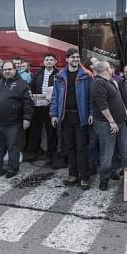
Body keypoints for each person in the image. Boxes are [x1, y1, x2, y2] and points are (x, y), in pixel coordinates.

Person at [51, 48, 94, 190]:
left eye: (77, 57)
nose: (75, 59)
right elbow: (55, 97)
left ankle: (84, 177)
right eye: (73, 57)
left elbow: (91, 97)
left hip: (81, 116)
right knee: (69, 146)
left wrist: (91, 113)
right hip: (66, 116)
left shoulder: (87, 75)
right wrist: (54, 114)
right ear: (67, 59)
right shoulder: (60, 76)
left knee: (81, 147)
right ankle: (73, 174)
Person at [0, 62, 34, 178]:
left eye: (9, 69)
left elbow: (29, 103)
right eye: (5, 69)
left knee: (13, 146)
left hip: (14, 122)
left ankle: (13, 169)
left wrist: (27, 118)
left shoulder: (22, 84)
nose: (7, 71)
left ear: (15, 70)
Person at [92, 61, 127, 190]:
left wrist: (125, 111)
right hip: (106, 124)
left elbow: (118, 97)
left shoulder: (111, 81)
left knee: (126, 152)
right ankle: (104, 180)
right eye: (110, 67)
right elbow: (102, 105)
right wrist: (111, 121)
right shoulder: (98, 83)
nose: (112, 69)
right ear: (105, 69)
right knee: (107, 153)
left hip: (120, 122)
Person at [25, 53, 58, 167]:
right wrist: (33, 95)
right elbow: (31, 87)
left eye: (51, 59)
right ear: (43, 62)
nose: (49, 61)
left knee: (51, 131)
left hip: (51, 106)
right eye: (47, 60)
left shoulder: (58, 74)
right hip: (38, 105)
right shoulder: (38, 73)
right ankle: (32, 152)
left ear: (55, 62)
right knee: (35, 129)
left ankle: (50, 154)